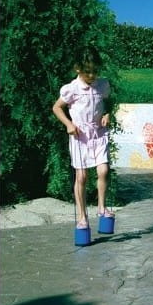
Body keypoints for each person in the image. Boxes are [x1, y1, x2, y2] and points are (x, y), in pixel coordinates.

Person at [51, 47, 113, 230]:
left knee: (103, 170)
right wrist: (68, 124)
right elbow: (56, 107)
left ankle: (101, 208)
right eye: (88, 72)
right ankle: (82, 217)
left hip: (98, 133)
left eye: (95, 71)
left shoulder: (102, 85)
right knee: (82, 176)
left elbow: (108, 102)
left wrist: (107, 114)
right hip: (80, 136)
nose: (92, 75)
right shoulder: (72, 89)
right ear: (77, 68)